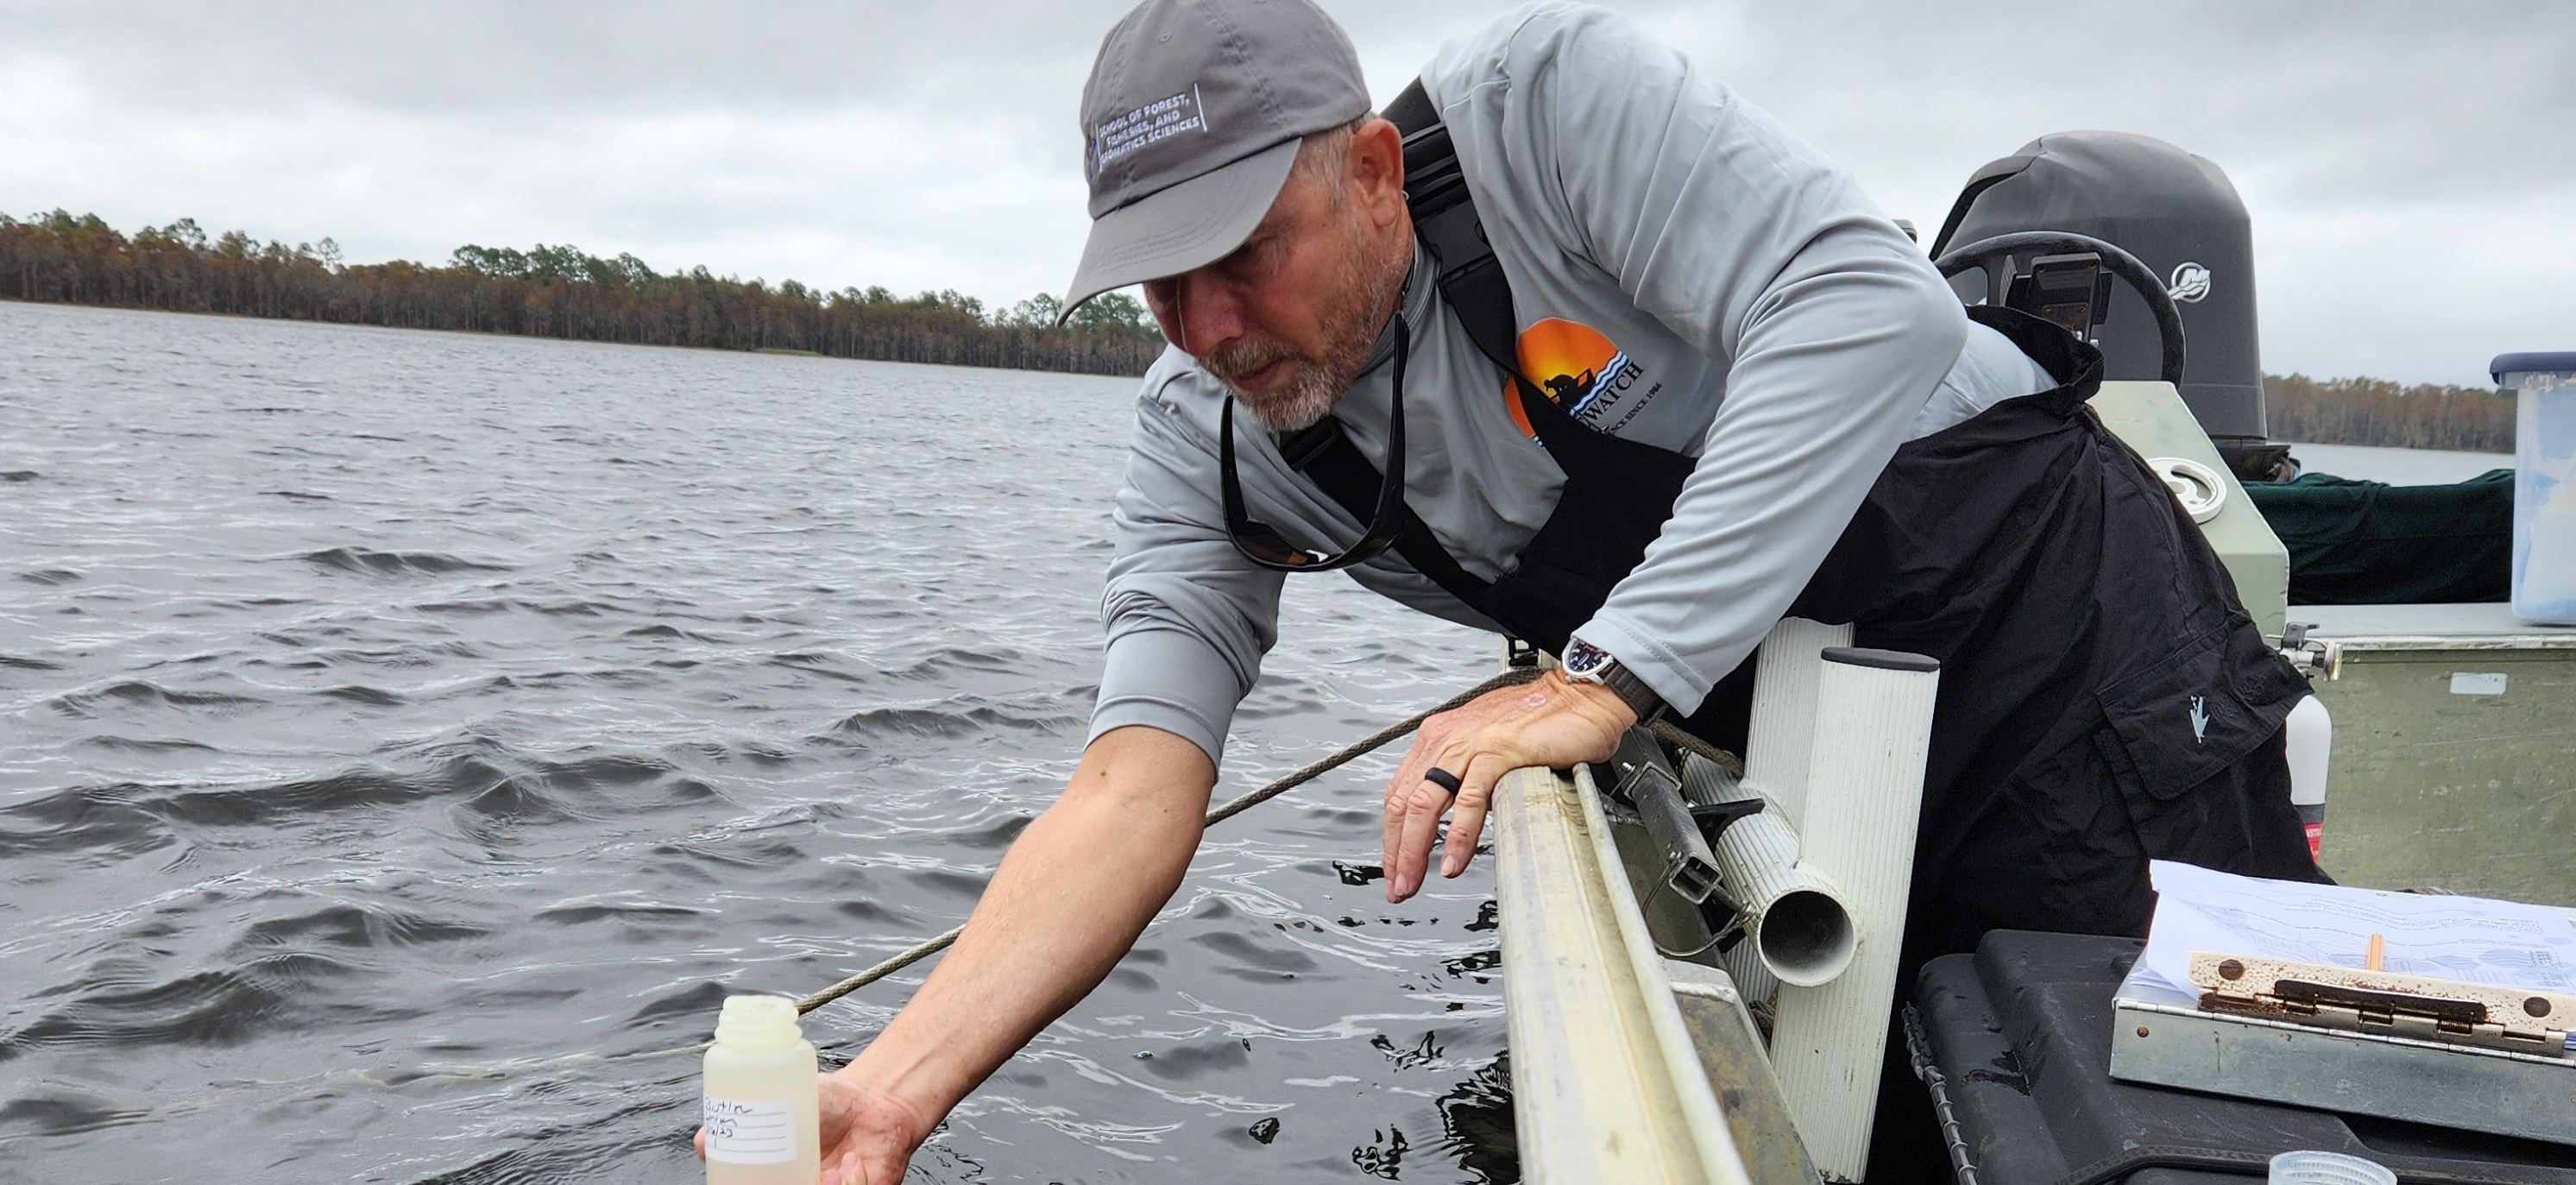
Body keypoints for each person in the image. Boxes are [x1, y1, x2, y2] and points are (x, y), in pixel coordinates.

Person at [704, 1, 2325, 1180]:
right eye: (1156, 279)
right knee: (1930, 1110)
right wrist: (899, 1088)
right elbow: (1133, 782)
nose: (1202, 324)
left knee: (2180, 1098)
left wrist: (1605, 674)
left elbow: (1869, 308)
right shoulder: (1204, 443)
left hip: (2053, 628)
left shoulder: (1546, 108)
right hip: (1791, 720)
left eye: (1242, 253)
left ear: (1364, 171)